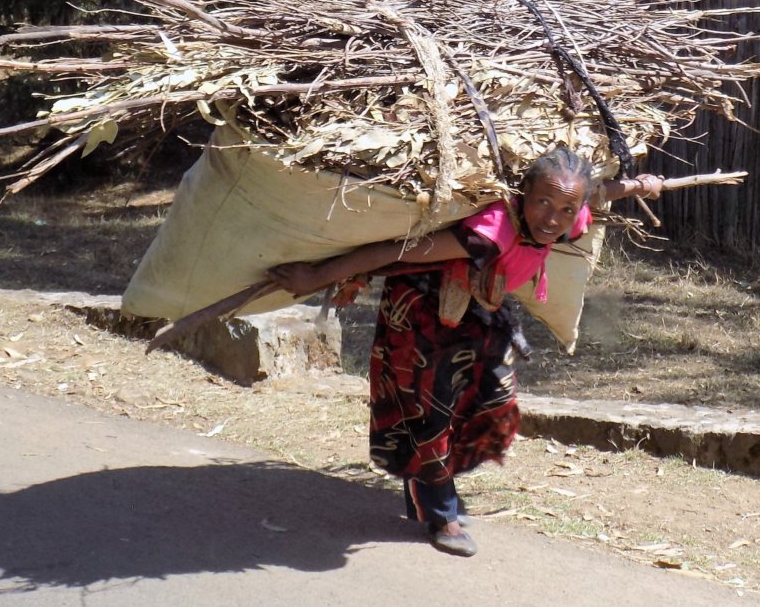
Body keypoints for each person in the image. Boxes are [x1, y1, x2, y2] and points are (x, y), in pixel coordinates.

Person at [265, 147, 663, 557]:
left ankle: (432, 482)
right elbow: (395, 252)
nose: (551, 218)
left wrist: (637, 186)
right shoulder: (490, 231)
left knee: (493, 402)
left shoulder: (569, 219)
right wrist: (316, 275)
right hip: (421, 313)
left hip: (480, 310)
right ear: (522, 192)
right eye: (543, 201)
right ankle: (441, 514)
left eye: (565, 208)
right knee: (429, 412)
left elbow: (596, 194)